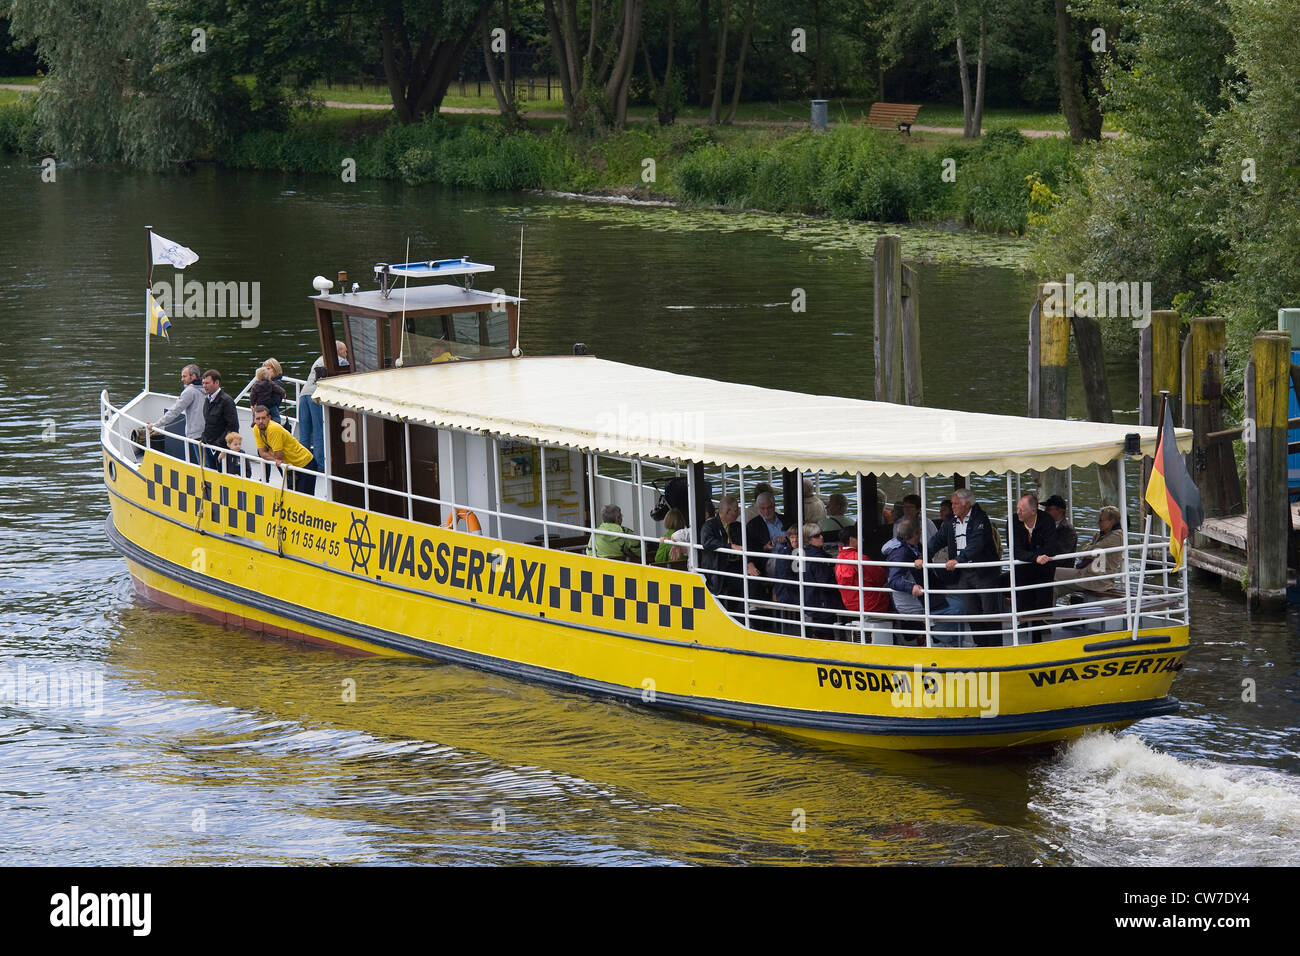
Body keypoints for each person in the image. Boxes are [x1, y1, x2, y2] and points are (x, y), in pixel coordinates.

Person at [928, 488, 1002, 647]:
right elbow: (938, 540)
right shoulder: (951, 521)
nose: (952, 506)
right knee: (971, 610)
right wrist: (922, 555)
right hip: (965, 572)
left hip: (984, 572)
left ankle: (995, 647)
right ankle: (981, 645)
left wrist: (958, 560)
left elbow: (977, 543)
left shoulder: (980, 519)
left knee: (990, 612)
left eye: (955, 503)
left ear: (967, 504)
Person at [885, 517, 963, 647]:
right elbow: (893, 580)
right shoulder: (901, 553)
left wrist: (941, 590)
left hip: (924, 595)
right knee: (958, 606)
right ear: (916, 534)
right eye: (919, 531)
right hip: (913, 600)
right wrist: (911, 587)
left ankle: (947, 640)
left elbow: (929, 574)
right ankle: (943, 639)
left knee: (957, 601)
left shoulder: (915, 548)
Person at [700, 494, 759, 608]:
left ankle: (747, 611)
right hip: (719, 567)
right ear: (727, 511)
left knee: (754, 577)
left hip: (736, 564)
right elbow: (707, 542)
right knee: (747, 582)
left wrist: (750, 563)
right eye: (736, 510)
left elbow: (748, 545)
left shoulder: (738, 526)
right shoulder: (710, 525)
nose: (739, 513)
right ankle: (743, 615)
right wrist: (730, 546)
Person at [1055, 505, 1124, 601]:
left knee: (1053, 572)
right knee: (1052, 589)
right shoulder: (1100, 534)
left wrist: (1090, 550)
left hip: (1097, 579)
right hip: (1086, 574)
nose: (1098, 523)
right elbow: (1085, 551)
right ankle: (1045, 612)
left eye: (1101, 520)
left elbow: (1090, 551)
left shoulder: (1116, 537)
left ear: (1111, 521)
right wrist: (1090, 550)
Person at [1011, 493, 1060, 622]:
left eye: (1022, 510)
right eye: (1017, 509)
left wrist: (1038, 557)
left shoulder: (1047, 520)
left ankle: (1040, 632)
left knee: (1042, 606)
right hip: (1024, 570)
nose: (1018, 512)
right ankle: (1024, 633)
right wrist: (1036, 557)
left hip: (1044, 571)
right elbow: (1016, 550)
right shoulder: (1013, 521)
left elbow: (1051, 547)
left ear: (1033, 511)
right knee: (1024, 606)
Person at [298, 341, 349, 467]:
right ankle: (320, 465)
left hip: (304, 395)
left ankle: (303, 463)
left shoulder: (319, 359)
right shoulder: (341, 362)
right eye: (345, 351)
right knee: (319, 431)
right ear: (339, 351)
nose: (347, 353)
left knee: (304, 432)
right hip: (316, 397)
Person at [252, 404, 319, 495]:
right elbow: (262, 453)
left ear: (269, 418)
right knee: (292, 496)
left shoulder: (273, 429)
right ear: (254, 420)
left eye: (263, 418)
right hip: (290, 466)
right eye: (258, 419)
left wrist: (273, 455)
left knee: (305, 499)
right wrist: (275, 458)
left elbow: (279, 455)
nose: (261, 421)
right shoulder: (256, 429)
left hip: (305, 463)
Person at [148, 364, 205, 464]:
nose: (182, 379)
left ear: (193, 376)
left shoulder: (189, 391)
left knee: (202, 463)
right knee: (208, 462)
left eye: (184, 376)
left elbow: (174, 411)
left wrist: (156, 425)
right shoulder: (206, 389)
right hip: (208, 432)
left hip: (196, 434)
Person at [835, 527, 890, 616]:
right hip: (871, 604)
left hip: (850, 604)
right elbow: (880, 577)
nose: (863, 540)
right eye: (860, 537)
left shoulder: (839, 558)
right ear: (851, 539)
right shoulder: (860, 558)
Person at [200, 369, 240, 470]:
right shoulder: (208, 399)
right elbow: (208, 422)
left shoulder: (226, 401)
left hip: (220, 448)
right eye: (203, 383)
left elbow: (233, 426)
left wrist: (219, 444)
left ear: (217, 382)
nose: (204, 386)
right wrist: (205, 438)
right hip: (208, 445)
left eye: (207, 383)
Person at [1043, 494, 1078, 568]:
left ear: (1060, 511)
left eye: (1048, 509)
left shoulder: (1068, 530)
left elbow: (1060, 555)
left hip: (1060, 568)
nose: (1045, 511)